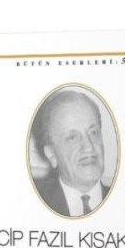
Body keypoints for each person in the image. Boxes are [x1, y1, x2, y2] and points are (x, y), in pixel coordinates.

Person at [31, 89, 111, 217]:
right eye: (72, 137)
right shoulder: (32, 204)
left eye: (93, 132)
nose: (89, 147)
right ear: (51, 154)